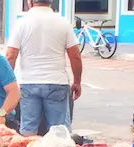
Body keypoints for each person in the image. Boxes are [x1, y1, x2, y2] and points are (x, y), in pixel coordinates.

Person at [5, 0, 82, 136]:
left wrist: (8, 85)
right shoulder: (63, 23)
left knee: (28, 130)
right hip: (56, 82)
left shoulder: (21, 23)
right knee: (59, 132)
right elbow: (75, 56)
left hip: (28, 83)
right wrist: (77, 82)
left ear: (30, 2)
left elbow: (10, 56)